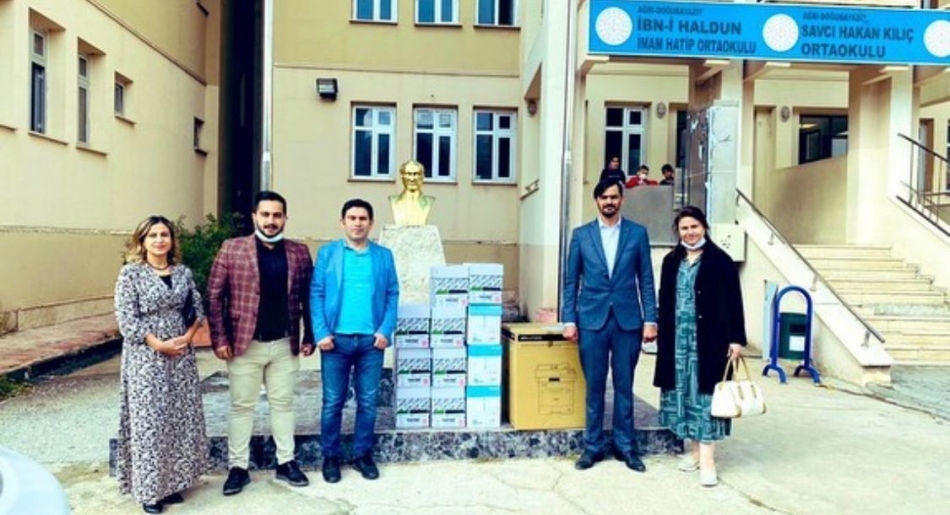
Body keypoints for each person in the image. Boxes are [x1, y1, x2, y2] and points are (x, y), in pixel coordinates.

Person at [207, 191, 315, 495]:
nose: (271, 221)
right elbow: (214, 297)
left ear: (285, 218)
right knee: (242, 407)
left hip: (283, 343)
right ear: (255, 216)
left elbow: (308, 297)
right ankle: (238, 468)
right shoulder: (232, 248)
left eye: (277, 215)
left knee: (284, 404)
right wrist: (220, 338)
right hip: (245, 344)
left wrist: (310, 335)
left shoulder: (299, 252)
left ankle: (286, 462)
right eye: (265, 214)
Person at [561, 179, 658, 473]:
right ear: (596, 201)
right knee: (594, 387)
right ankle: (592, 447)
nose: (609, 202)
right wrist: (569, 319)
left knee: (624, 386)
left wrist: (650, 319)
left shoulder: (637, 234)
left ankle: (625, 446)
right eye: (604, 197)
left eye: (614, 197)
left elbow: (646, 279)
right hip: (592, 320)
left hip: (628, 321)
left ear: (622, 199)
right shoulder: (581, 236)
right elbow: (571, 281)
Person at [114, 215, 207, 514]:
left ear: (172, 240)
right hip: (146, 357)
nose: (159, 240)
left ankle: (171, 484)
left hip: (180, 356)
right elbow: (126, 318)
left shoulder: (183, 273)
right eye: (152, 235)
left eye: (164, 234)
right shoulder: (131, 274)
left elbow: (197, 308)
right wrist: (157, 343)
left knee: (178, 418)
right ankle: (149, 491)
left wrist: (188, 337)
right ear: (142, 241)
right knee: (150, 422)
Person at [654, 205, 747, 488]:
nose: (690, 232)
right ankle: (694, 453)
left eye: (694, 226)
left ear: (704, 227)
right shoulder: (672, 261)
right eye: (684, 228)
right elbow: (664, 299)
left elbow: (734, 301)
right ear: (678, 231)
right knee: (684, 396)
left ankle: (708, 462)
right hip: (677, 342)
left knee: (706, 399)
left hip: (709, 341)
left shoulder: (720, 261)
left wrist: (736, 338)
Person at [311, 199, 399, 483]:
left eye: (363, 218)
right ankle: (330, 457)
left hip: (371, 343)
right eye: (352, 218)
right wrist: (321, 332)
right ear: (343, 222)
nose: (357, 223)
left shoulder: (383, 256)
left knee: (368, 402)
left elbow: (392, 293)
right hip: (334, 342)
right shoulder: (328, 254)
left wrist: (385, 330)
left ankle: (363, 455)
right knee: (332, 402)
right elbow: (317, 293)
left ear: (371, 223)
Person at [389, 160, 435, 226]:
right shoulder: (394, 202)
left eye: (416, 174)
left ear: (422, 177)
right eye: (409, 174)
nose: (412, 179)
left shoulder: (428, 202)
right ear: (402, 176)